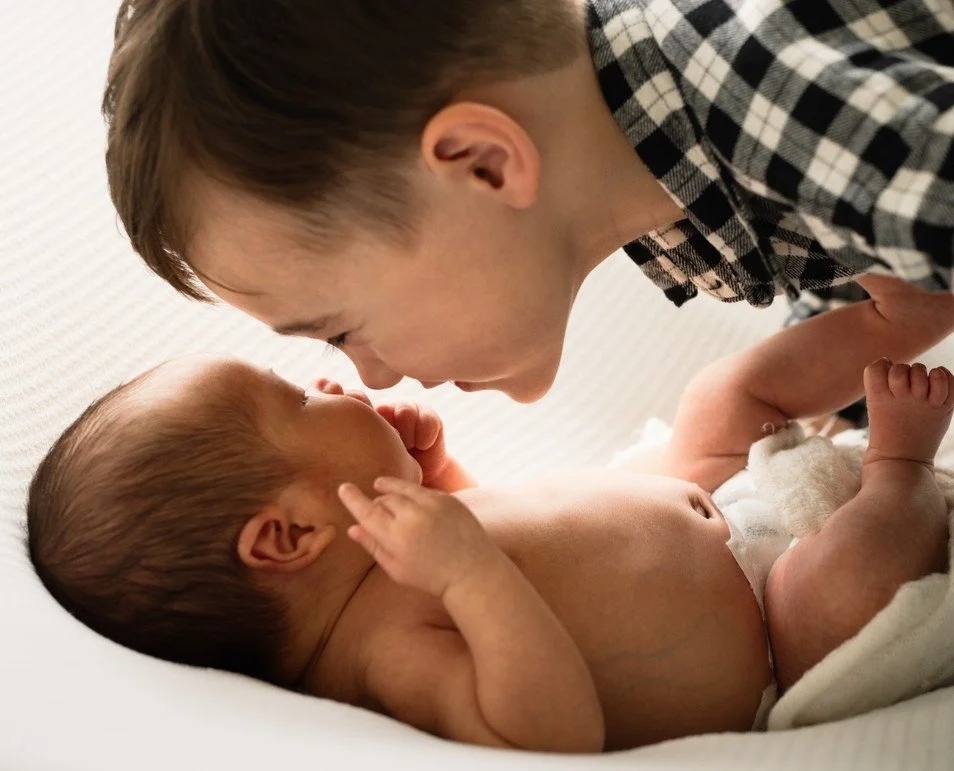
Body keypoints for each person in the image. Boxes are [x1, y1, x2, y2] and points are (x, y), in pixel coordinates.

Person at [26, 275, 954, 751]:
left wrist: (440, 472)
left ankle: (899, 315)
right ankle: (902, 465)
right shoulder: (383, 654)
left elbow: (523, 535)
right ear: (289, 535)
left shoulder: (396, 551)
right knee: (847, 596)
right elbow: (543, 728)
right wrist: (467, 570)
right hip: (770, 629)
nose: (329, 386)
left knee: (724, 392)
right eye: (297, 404)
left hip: (709, 496)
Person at [101, 0, 954, 404]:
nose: (371, 375)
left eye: (338, 328)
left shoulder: (767, 90)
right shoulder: (702, 153)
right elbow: (870, 283)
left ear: (481, 164)